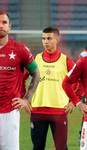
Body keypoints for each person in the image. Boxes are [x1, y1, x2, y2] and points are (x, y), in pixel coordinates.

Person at [25, 27, 84, 150]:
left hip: (59, 112)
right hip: (37, 112)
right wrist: (24, 99)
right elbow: (21, 78)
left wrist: (75, 101)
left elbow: (82, 81)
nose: (45, 42)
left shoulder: (66, 61)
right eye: (43, 39)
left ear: (57, 40)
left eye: (49, 38)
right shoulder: (35, 59)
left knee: (61, 148)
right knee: (37, 147)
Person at [0, 10, 40, 150]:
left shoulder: (20, 49)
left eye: (4, 22)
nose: (1, 26)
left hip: (9, 113)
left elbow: (36, 74)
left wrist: (27, 99)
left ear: (9, 26)